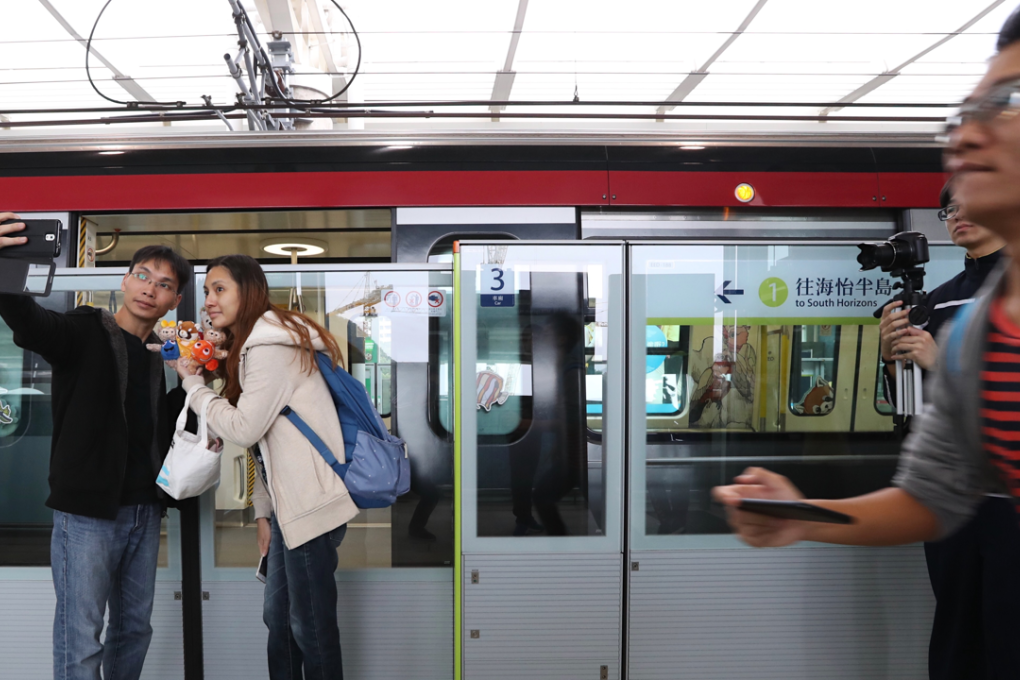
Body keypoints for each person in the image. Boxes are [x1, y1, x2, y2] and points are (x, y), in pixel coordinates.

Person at [713, 8, 1020, 677]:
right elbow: (926, 490)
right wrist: (802, 516)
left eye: (1008, 103)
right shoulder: (963, 311)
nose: (970, 136)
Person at [0, 213, 191, 680]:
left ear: (175, 300)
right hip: (87, 516)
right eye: (142, 276)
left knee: (133, 631)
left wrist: (194, 380)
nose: (149, 288)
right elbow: (29, 320)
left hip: (144, 512)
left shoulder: (156, 358)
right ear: (126, 281)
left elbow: (161, 428)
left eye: (163, 284)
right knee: (81, 635)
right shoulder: (83, 332)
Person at [173, 254, 356, 680]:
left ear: (248, 292)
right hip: (287, 508)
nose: (210, 301)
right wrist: (262, 512)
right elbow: (268, 444)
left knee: (311, 629)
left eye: (220, 289)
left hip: (309, 507)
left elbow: (244, 427)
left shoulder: (269, 347)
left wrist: (194, 386)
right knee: (280, 621)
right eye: (207, 291)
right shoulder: (258, 343)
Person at [878, 183, 1007, 679]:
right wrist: (893, 361)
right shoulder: (934, 302)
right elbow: (907, 406)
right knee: (956, 624)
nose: (957, 215)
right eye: (949, 208)